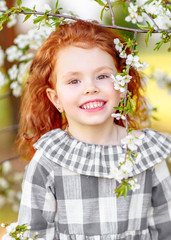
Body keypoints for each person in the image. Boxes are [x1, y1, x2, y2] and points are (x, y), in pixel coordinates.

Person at [17, 20, 171, 240]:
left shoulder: (145, 153)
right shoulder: (48, 161)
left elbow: (166, 229)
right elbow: (34, 234)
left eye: (102, 76)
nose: (90, 88)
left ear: (123, 86)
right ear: (55, 98)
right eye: (74, 81)